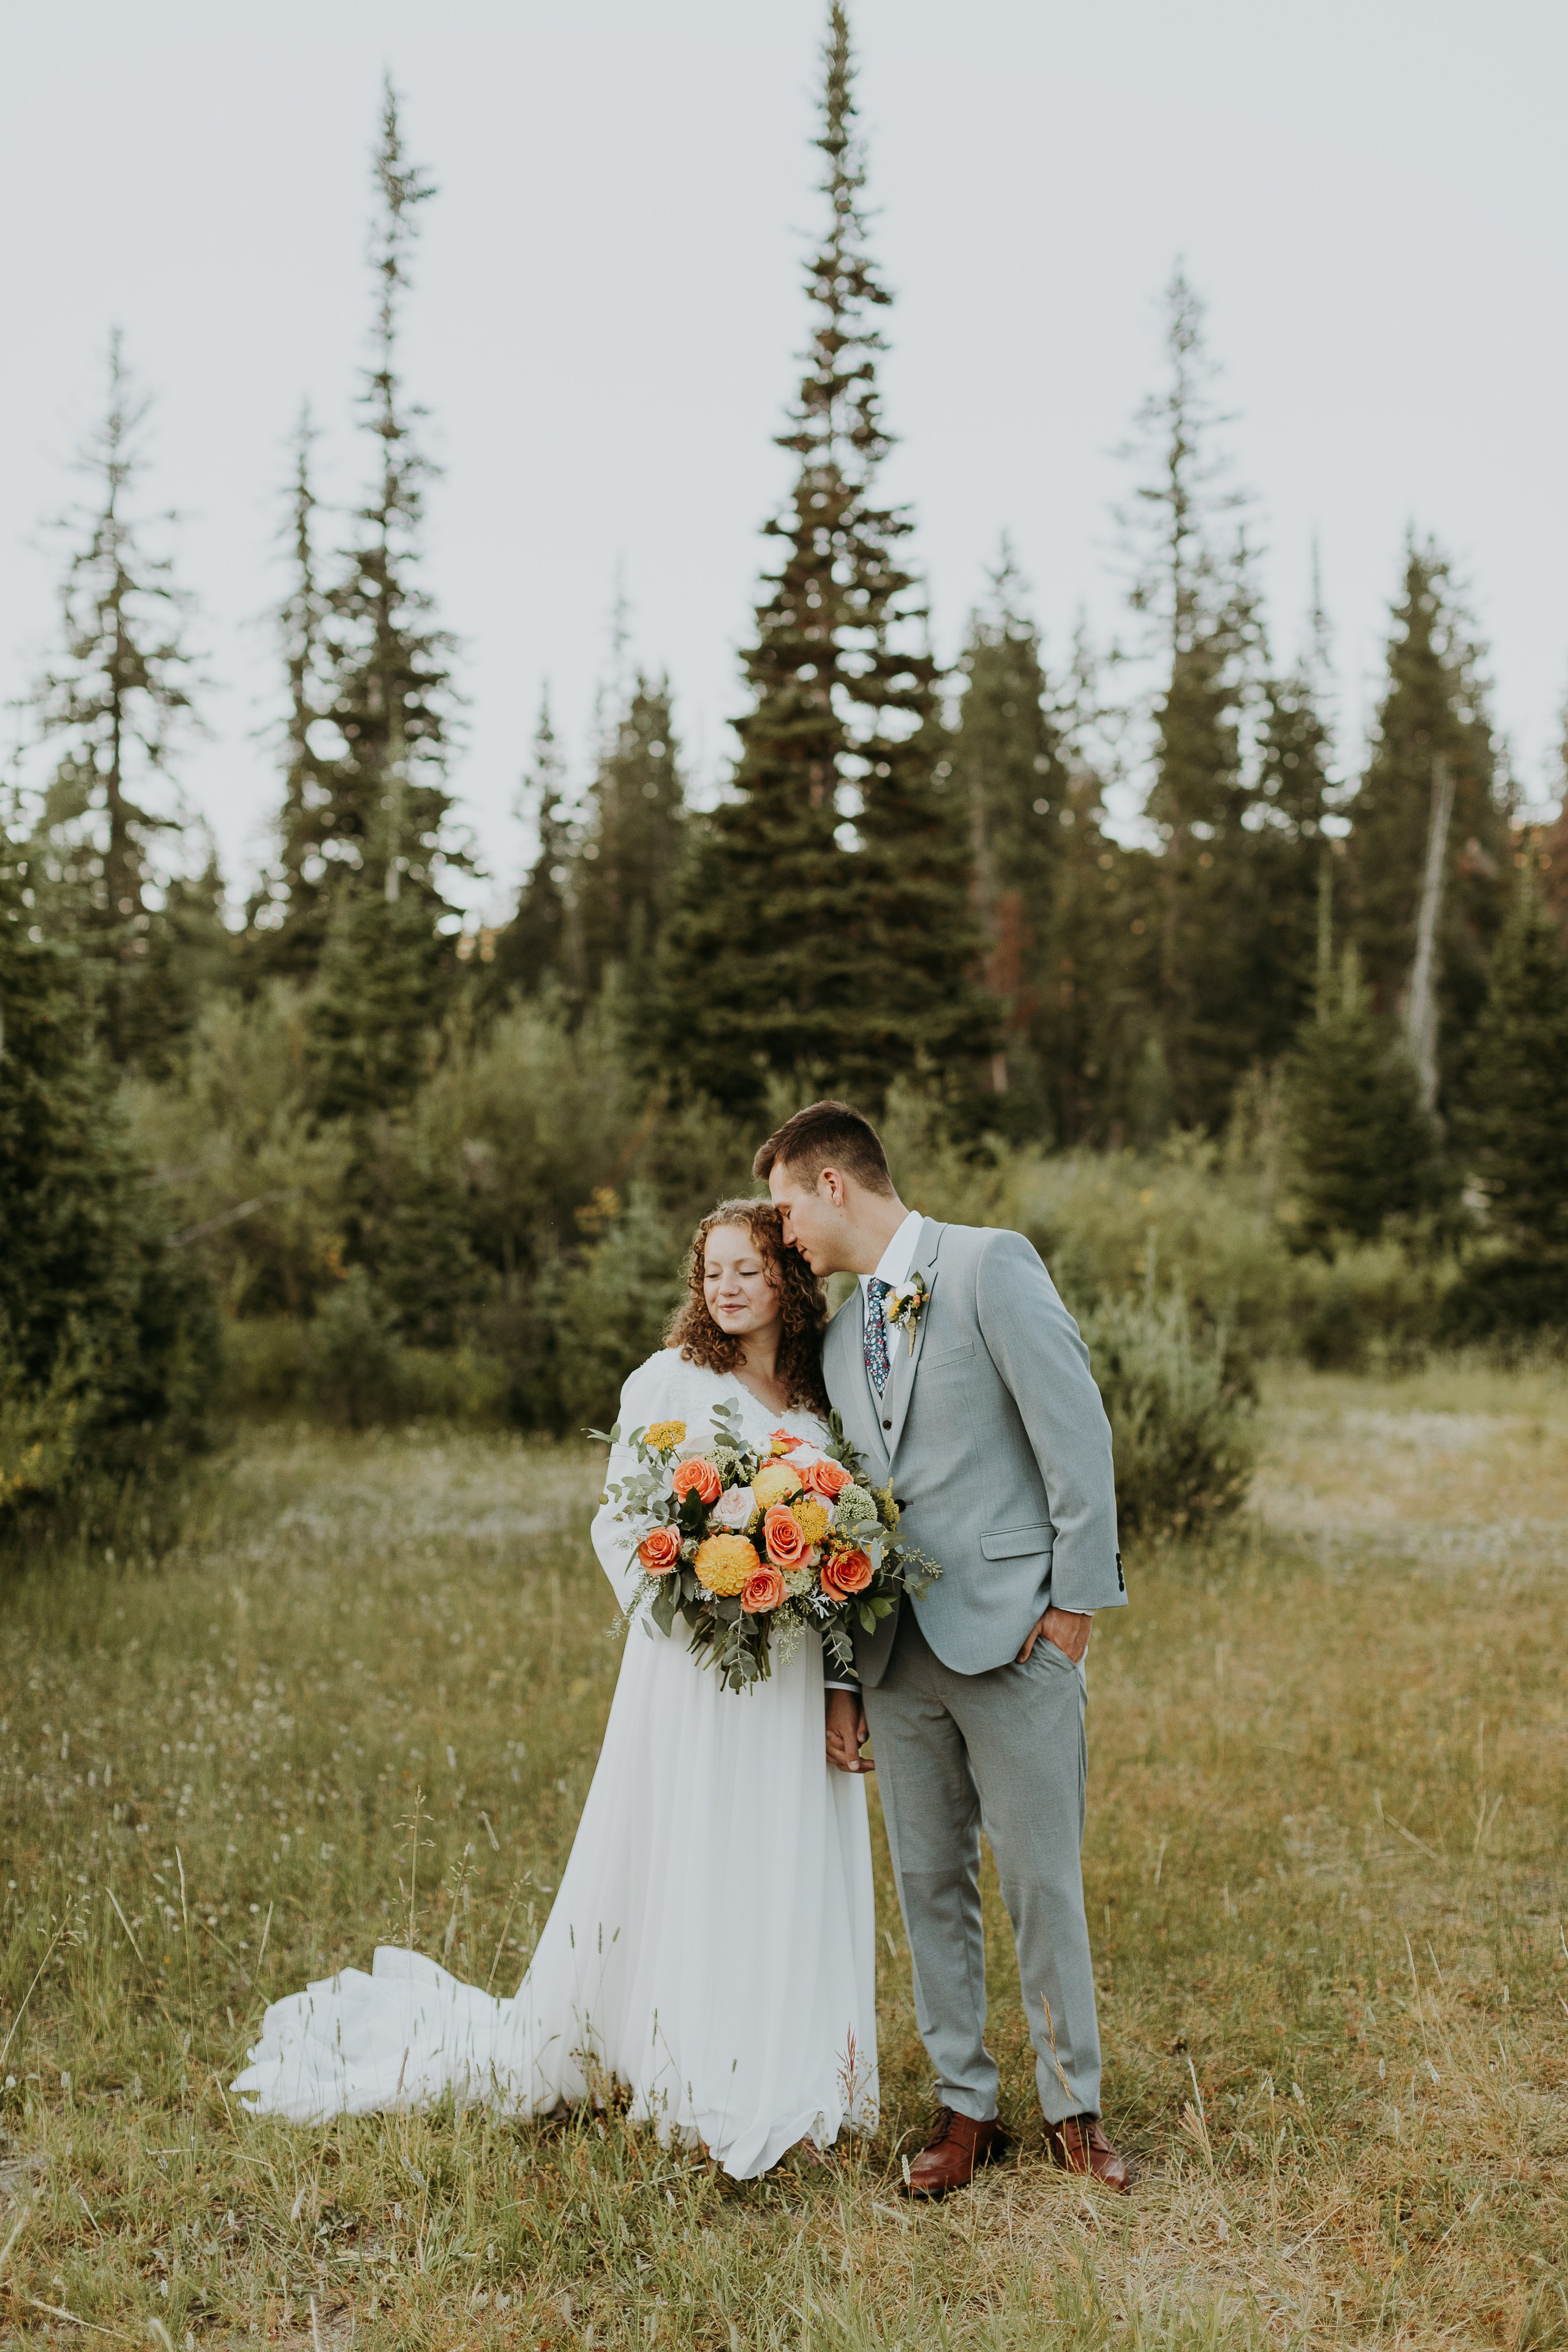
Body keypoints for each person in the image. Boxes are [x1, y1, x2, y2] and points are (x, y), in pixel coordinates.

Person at [232, 1199, 877, 2180]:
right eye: (714, 1272)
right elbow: (621, 1527)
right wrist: (700, 1597)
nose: (730, 1287)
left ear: (790, 1277)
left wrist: (841, 1687)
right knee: (702, 1850)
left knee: (784, 1854)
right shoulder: (671, 1381)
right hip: (700, 1670)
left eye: (749, 1268)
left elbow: (844, 1556)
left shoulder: (827, 1397)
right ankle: (695, 2073)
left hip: (790, 1673)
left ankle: (795, 2064)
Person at [759, 1099, 1131, 2198]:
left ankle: (1076, 2108)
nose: (786, 1239)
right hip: (895, 1655)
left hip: (1016, 1637)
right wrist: (843, 1672)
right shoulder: (834, 1336)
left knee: (1039, 1881)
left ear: (835, 1185)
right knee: (929, 1883)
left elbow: (1079, 1436)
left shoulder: (990, 1267)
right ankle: (965, 2107)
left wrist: (1074, 1611)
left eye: (786, 1211)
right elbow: (838, 1513)